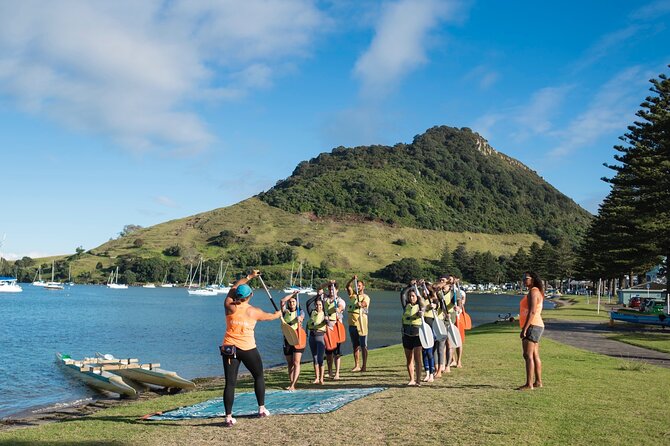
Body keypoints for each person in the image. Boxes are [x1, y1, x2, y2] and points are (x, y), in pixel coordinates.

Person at [221, 270, 281, 427]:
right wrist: (278, 314)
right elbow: (271, 317)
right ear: (250, 296)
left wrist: (249, 277)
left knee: (230, 383)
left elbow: (234, 287)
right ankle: (261, 409)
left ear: (236, 296)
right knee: (259, 376)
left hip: (229, 348)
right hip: (247, 349)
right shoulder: (254, 311)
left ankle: (228, 418)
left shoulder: (229, 306)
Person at [518, 271, 544, 390]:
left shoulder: (533, 292)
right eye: (523, 278)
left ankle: (529, 384)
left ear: (532, 279)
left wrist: (525, 328)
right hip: (536, 325)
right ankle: (538, 381)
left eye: (526, 278)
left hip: (533, 325)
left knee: (527, 355)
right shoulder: (535, 291)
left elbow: (532, 311)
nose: (524, 280)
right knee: (534, 355)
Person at [280, 291, 304, 391]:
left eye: (293, 302)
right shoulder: (285, 312)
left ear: (296, 303)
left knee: (296, 362)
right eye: (290, 302)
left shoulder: (300, 311)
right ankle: (291, 382)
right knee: (290, 363)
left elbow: (302, 317)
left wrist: (300, 318)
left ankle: (294, 384)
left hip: (297, 338)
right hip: (287, 339)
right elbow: (282, 301)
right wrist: (292, 294)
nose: (292, 304)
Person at [400, 283, 423, 386]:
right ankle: (411, 379)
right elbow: (402, 293)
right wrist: (410, 285)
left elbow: (424, 308)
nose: (411, 297)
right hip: (406, 334)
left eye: (413, 296)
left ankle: (418, 380)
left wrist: (421, 313)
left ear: (416, 297)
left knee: (417, 358)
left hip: (417, 335)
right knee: (409, 358)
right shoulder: (406, 306)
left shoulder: (420, 305)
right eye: (410, 296)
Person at [346, 275, 370, 372]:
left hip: (361, 325)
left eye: (360, 285)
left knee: (363, 345)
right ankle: (357, 365)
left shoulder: (365, 297)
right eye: (357, 285)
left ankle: (364, 365)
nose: (358, 287)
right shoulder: (352, 295)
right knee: (355, 346)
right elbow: (348, 286)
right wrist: (352, 279)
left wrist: (361, 304)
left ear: (363, 287)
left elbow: (364, 304)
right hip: (352, 325)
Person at [322, 281, 346, 380]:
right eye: (330, 289)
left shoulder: (340, 300)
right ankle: (330, 372)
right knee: (328, 352)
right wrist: (328, 283)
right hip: (327, 328)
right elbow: (319, 289)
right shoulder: (325, 299)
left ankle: (337, 373)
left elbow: (341, 307)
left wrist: (338, 310)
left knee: (337, 352)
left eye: (333, 289)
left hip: (336, 327)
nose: (331, 291)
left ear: (337, 290)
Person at [307, 297, 327, 384]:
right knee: (314, 358)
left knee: (320, 358)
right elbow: (308, 303)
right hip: (312, 336)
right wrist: (317, 295)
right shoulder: (312, 312)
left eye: (320, 305)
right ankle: (317, 378)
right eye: (316, 304)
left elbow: (327, 323)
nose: (318, 306)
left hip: (320, 336)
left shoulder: (324, 314)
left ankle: (322, 378)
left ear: (322, 306)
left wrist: (326, 321)